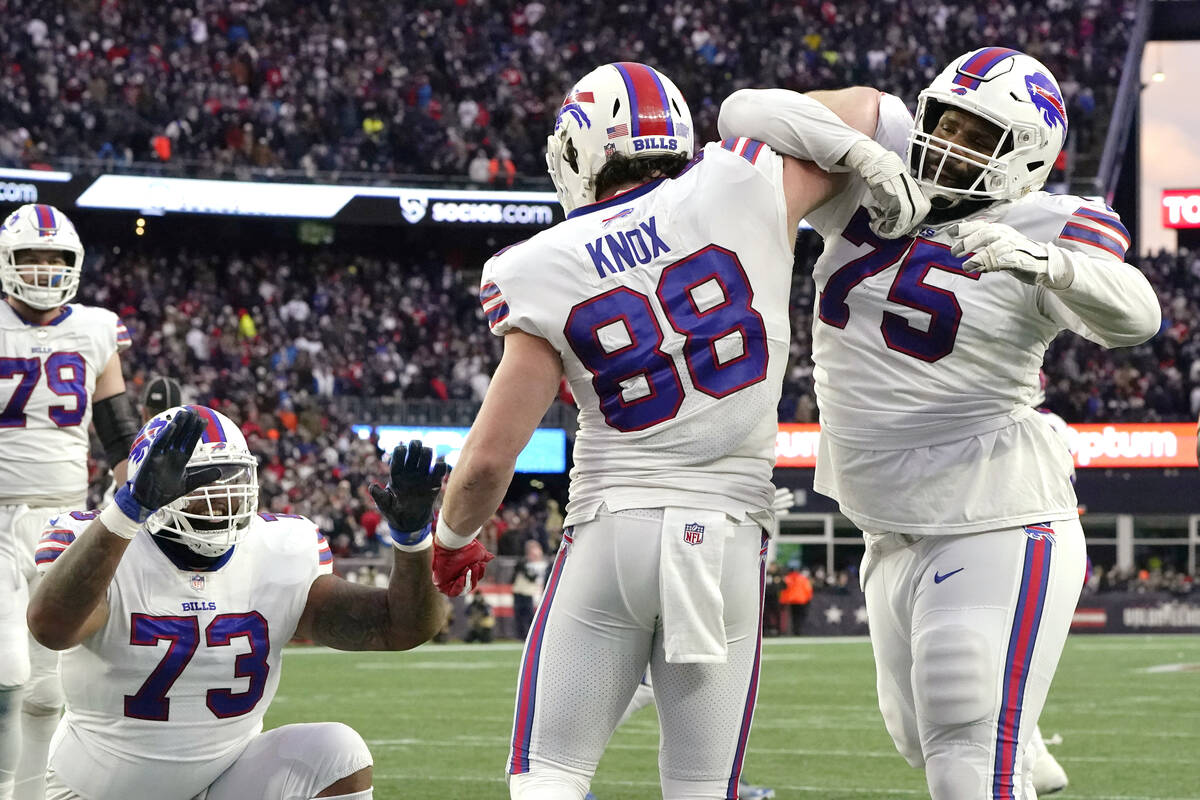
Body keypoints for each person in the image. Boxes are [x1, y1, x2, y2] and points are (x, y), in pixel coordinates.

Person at [717, 47, 1161, 798]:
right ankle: (1020, 755)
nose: (947, 142)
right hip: (885, 526)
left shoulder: (1054, 223)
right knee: (920, 739)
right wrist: (861, 152)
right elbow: (740, 110)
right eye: (944, 120)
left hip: (993, 512)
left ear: (1025, 156)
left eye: (976, 133)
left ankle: (1006, 753)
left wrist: (1043, 264)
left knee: (965, 748)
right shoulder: (883, 157)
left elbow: (1137, 316)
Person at [426, 61, 837, 800]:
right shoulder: (739, 180)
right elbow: (860, 123)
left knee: (546, 775)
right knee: (701, 788)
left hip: (613, 529)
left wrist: (453, 539)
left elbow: (489, 460)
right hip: (730, 536)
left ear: (580, 153)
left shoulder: (538, 264)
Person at [26, 407, 445, 800]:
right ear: (152, 484)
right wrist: (127, 512)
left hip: (223, 778)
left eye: (232, 476)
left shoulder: (280, 548)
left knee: (338, 752)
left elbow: (399, 627)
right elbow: (52, 628)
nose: (224, 492)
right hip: (97, 789)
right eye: (205, 479)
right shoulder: (100, 544)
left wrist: (412, 542)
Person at [0, 203, 138, 800]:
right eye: (31, 256)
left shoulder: (97, 328)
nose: (43, 267)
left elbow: (117, 431)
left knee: (49, 683)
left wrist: (140, 496)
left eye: (55, 256)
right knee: (6, 672)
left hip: (62, 515)